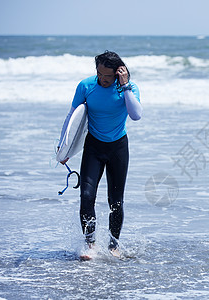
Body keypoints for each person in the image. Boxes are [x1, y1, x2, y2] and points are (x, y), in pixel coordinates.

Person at [58, 51, 142, 258]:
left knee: (116, 201)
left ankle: (114, 246)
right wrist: (63, 148)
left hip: (118, 148)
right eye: (99, 74)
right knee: (86, 197)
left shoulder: (129, 89)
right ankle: (91, 245)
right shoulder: (86, 86)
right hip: (94, 146)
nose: (103, 79)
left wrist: (125, 86)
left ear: (119, 73)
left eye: (108, 76)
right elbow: (72, 117)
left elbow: (136, 115)